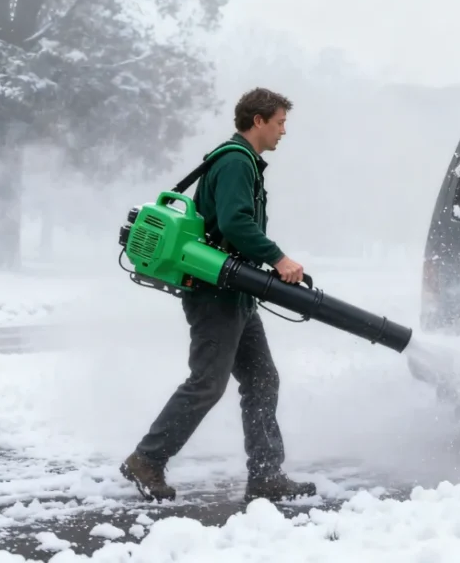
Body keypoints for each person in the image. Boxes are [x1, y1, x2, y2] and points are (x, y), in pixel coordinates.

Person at [120, 88, 315, 503]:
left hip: (236, 291)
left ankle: (265, 475)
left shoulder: (241, 162)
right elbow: (235, 222)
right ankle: (147, 459)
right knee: (208, 382)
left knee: (262, 379)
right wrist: (279, 258)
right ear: (258, 121)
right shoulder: (234, 162)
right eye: (280, 122)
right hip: (216, 294)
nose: (283, 131)